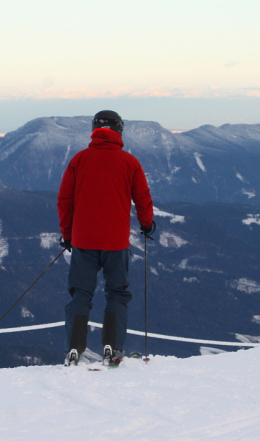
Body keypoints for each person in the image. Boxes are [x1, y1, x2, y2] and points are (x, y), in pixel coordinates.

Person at [57, 110, 155, 366]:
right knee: (117, 294)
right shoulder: (129, 162)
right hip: (116, 242)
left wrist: (68, 235)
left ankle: (74, 349)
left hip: (83, 241)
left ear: (94, 130)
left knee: (80, 295)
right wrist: (147, 225)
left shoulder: (79, 160)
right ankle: (113, 348)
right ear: (119, 130)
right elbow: (142, 199)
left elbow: (64, 201)